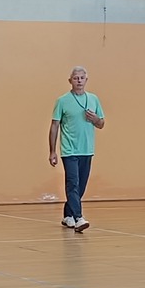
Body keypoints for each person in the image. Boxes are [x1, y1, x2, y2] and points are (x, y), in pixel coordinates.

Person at [49, 65, 105, 231]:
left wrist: (95, 119)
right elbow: (54, 125)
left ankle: (68, 215)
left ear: (86, 80)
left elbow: (101, 124)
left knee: (81, 186)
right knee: (72, 183)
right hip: (69, 150)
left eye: (81, 78)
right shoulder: (62, 101)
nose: (79, 81)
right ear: (70, 81)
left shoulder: (93, 99)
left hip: (87, 149)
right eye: (75, 78)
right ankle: (79, 218)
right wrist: (52, 151)